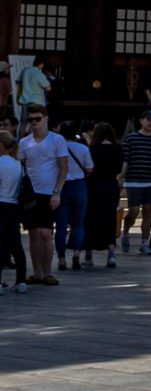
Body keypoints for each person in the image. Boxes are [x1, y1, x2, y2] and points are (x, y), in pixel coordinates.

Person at [17, 106, 70, 285]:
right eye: (31, 120)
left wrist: (57, 191)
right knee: (33, 234)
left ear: (45, 118)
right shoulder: (24, 143)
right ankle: (37, 272)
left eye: (37, 119)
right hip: (31, 194)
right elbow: (20, 165)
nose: (34, 123)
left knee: (46, 233)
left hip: (50, 192)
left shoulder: (57, 140)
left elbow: (64, 167)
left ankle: (47, 272)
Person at [120, 114, 151, 255]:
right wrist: (121, 176)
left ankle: (144, 242)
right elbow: (125, 159)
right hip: (133, 179)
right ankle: (125, 231)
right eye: (148, 120)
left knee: (148, 210)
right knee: (133, 211)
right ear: (141, 121)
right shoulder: (131, 138)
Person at [82, 123, 121, 269]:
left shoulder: (92, 149)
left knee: (90, 218)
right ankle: (111, 253)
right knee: (110, 218)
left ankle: (88, 254)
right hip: (111, 185)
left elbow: (88, 168)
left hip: (93, 186)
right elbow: (119, 168)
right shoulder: (117, 149)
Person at [55, 118, 93, 268]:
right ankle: (76, 253)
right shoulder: (83, 148)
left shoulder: (56, 148)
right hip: (78, 185)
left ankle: (61, 258)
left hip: (61, 185)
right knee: (78, 224)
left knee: (61, 225)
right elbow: (89, 168)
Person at [0, 123, 24, 290]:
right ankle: (21, 281)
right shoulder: (18, 164)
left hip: (0, 204)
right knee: (16, 244)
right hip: (14, 206)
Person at [13, 55, 49, 125]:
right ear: (42, 64)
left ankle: (21, 136)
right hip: (36, 101)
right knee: (35, 121)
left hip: (24, 100)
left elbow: (17, 81)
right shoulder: (39, 73)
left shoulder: (25, 70)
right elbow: (48, 88)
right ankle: (33, 135)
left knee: (24, 122)